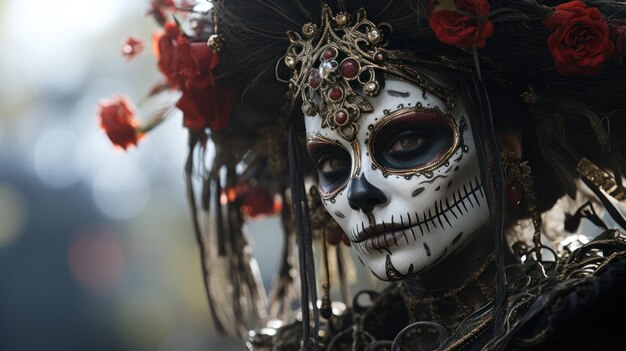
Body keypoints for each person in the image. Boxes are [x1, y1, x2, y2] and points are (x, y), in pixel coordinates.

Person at [99, 0, 626, 349]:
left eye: (407, 142)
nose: (359, 192)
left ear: (504, 148)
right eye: (331, 162)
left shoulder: (591, 315)